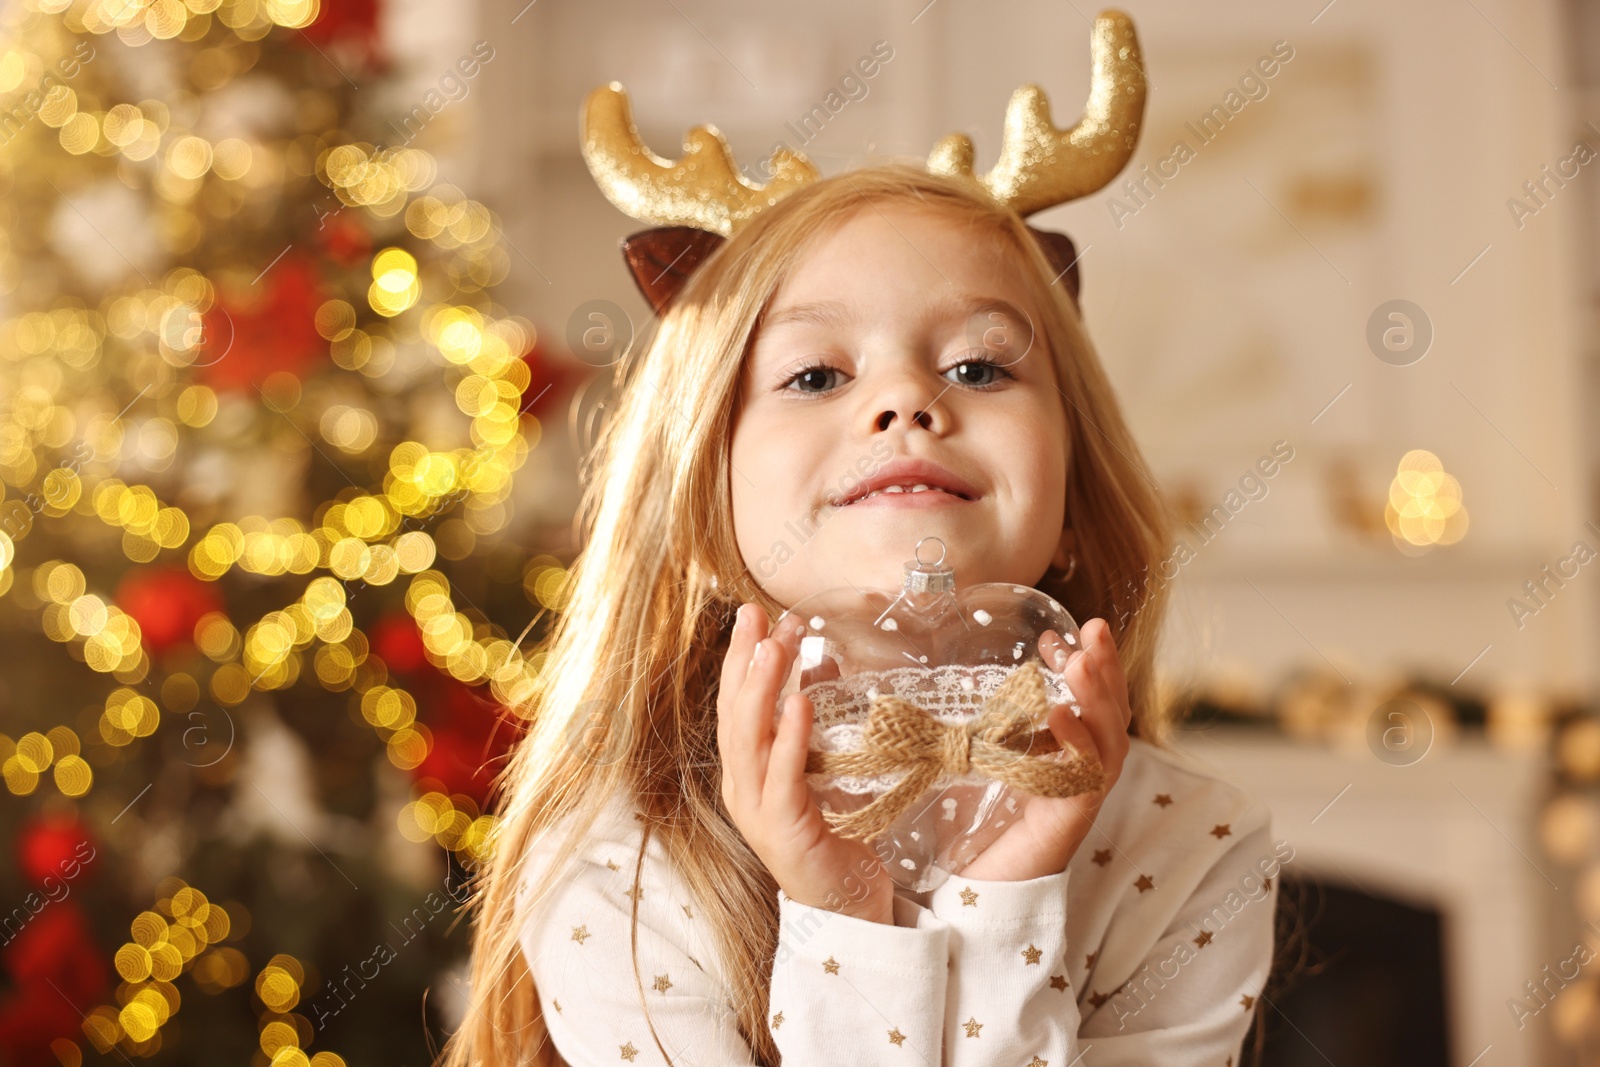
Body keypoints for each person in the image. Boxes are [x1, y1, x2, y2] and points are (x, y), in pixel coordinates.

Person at [439, 14, 1282, 1065]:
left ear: (1072, 504)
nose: (904, 401)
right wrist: (836, 907)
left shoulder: (1191, 843)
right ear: (701, 521)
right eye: (816, 374)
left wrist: (1013, 889)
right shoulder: (622, 870)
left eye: (979, 367)